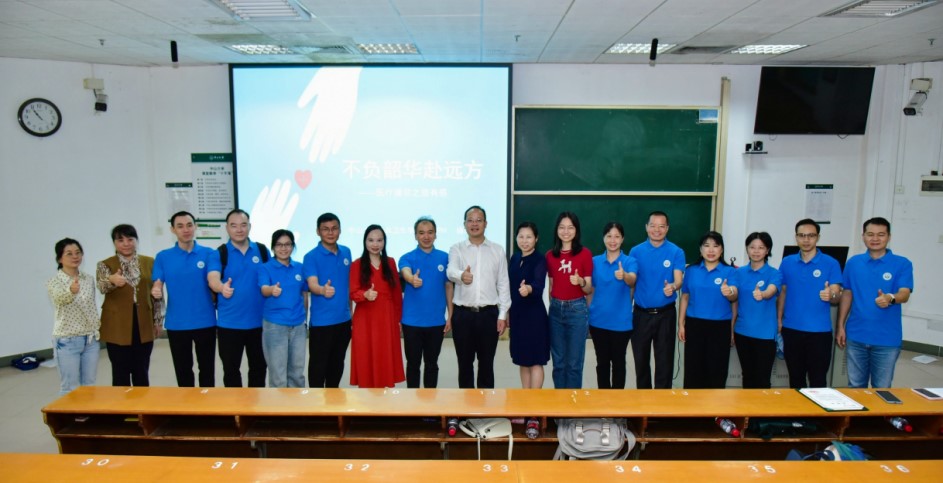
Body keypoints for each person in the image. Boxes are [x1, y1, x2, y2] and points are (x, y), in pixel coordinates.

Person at [837, 217, 914, 388]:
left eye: (881, 234)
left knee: (882, 388)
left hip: (886, 339)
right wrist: (841, 325)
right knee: (855, 387)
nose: (875, 238)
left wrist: (890, 298)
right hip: (856, 335)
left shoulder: (902, 264)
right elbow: (847, 293)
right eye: (870, 234)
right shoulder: (853, 263)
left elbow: (905, 293)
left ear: (889, 237)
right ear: (863, 236)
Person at [447, 206, 512, 389]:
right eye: (470, 220)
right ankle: (466, 406)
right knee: (464, 366)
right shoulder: (457, 249)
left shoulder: (497, 250)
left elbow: (503, 284)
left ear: (486, 223)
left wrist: (502, 315)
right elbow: (450, 271)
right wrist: (461, 275)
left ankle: (485, 406)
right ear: (464, 224)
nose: (474, 224)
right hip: (463, 315)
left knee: (486, 366)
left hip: (488, 315)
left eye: (478, 220)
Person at [152, 211, 217, 387]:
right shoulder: (163, 256)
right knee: (183, 371)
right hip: (177, 323)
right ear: (173, 230)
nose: (185, 230)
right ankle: (187, 404)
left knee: (207, 370)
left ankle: (208, 403)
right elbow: (157, 282)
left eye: (189, 225)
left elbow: (214, 279)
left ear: (196, 226)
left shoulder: (209, 254)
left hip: (205, 321)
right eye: (180, 226)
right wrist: (156, 289)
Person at [777, 219, 843, 389]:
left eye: (811, 235)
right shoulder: (787, 262)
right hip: (791, 330)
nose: (806, 240)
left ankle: (816, 409)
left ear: (818, 237)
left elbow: (837, 294)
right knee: (795, 379)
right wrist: (779, 319)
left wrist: (831, 294)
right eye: (802, 235)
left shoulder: (831, 263)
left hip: (819, 332)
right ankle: (797, 408)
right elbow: (783, 292)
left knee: (818, 381)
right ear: (796, 237)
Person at [207, 209, 268, 388]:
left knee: (259, 369)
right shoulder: (219, 253)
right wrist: (221, 287)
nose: (239, 230)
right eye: (234, 226)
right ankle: (235, 405)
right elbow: (213, 279)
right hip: (229, 325)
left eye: (243, 225)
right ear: (227, 228)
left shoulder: (262, 251)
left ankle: (255, 404)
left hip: (260, 324)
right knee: (231, 370)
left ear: (250, 226)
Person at [96, 224, 162, 387]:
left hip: (143, 323)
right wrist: (112, 280)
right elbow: (102, 287)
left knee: (141, 370)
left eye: (130, 239)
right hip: (117, 325)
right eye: (120, 240)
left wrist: (157, 321)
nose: (126, 244)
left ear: (136, 241)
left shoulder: (150, 262)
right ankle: (121, 404)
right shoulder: (105, 264)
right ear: (114, 243)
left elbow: (156, 294)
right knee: (120, 372)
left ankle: (142, 403)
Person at [629, 211, 686, 389]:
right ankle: (644, 403)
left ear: (667, 228)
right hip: (641, 314)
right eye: (653, 225)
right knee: (641, 363)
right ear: (646, 227)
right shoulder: (636, 251)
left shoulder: (676, 252)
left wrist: (673, 286)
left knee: (664, 364)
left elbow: (678, 280)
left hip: (665, 315)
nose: (657, 230)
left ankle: (662, 404)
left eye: (661, 226)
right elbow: (631, 283)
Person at [678, 231, 737, 389]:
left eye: (715, 246)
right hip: (695, 325)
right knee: (693, 370)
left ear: (722, 249)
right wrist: (681, 324)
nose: (711, 250)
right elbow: (685, 297)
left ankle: (715, 406)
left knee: (717, 372)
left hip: (720, 327)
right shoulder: (691, 270)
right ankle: (692, 405)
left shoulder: (729, 271)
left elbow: (734, 297)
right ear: (700, 249)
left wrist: (729, 292)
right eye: (706, 246)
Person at [349, 225, 405, 388]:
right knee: (366, 358)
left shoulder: (391, 262)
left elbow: (396, 294)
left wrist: (398, 319)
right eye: (371, 240)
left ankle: (383, 402)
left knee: (385, 358)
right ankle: (368, 403)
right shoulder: (357, 264)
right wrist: (365, 295)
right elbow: (353, 293)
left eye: (379, 240)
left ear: (384, 242)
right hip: (365, 320)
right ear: (365, 242)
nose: (375, 244)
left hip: (387, 319)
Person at [400, 217, 453, 388]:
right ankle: (412, 403)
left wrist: (451, 315)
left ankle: (431, 403)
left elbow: (448, 286)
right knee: (413, 365)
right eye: (421, 233)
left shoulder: (445, 258)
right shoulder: (407, 257)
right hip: (411, 323)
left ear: (435, 234)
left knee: (432, 364)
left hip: (436, 322)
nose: (426, 237)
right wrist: (411, 279)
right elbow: (405, 271)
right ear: (415, 235)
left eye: (430, 232)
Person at [303, 213, 352, 388]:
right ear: (318, 231)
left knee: (337, 366)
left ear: (340, 230)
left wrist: (351, 314)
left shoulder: (346, 252)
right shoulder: (311, 256)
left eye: (334, 228)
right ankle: (316, 405)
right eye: (325, 229)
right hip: (321, 323)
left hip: (344, 321)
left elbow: (349, 286)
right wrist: (322, 290)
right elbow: (312, 284)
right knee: (318, 368)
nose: (330, 233)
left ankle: (333, 403)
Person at [545, 211, 593, 389]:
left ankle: (573, 404)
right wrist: (554, 305)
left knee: (574, 364)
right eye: (562, 227)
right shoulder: (550, 255)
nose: (566, 231)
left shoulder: (585, 254)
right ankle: (559, 403)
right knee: (558, 363)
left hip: (577, 309)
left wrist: (580, 282)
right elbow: (551, 286)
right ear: (557, 230)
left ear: (576, 230)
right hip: (556, 310)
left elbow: (588, 288)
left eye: (570, 227)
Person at [47, 238, 100, 395]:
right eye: (69, 254)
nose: (75, 256)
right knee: (70, 388)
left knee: (89, 385)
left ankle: (87, 411)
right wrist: (70, 291)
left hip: (90, 339)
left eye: (78, 252)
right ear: (59, 258)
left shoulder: (88, 279)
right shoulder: (54, 281)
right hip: (67, 340)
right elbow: (58, 299)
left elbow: (91, 307)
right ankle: (68, 413)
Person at [588, 222, 637, 389]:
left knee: (618, 363)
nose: (613, 240)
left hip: (621, 323)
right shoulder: (594, 261)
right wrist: (590, 312)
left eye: (617, 236)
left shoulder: (630, 261)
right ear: (603, 238)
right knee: (602, 363)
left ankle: (618, 401)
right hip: (598, 321)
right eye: (609, 236)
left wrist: (624, 275)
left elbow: (632, 280)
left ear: (622, 239)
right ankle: (603, 400)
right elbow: (591, 290)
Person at [731, 232, 781, 389]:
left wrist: (763, 294)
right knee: (747, 376)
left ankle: (762, 407)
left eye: (761, 247)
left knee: (762, 379)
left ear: (767, 250)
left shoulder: (774, 273)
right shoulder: (739, 273)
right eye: (752, 247)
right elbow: (734, 302)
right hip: (742, 332)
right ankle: (747, 406)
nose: (756, 251)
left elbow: (772, 290)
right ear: (747, 249)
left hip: (765, 334)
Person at [259, 229, 308, 388]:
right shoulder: (265, 268)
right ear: (273, 247)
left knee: (297, 374)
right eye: (279, 245)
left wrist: (305, 319)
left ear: (293, 246)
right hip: (275, 326)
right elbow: (264, 289)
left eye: (287, 244)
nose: (284, 248)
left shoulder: (300, 267)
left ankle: (296, 405)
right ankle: (278, 405)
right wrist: (272, 289)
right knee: (278, 376)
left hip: (298, 326)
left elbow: (304, 294)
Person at [508, 222, 550, 389]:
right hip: (518, 315)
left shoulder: (540, 259)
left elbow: (539, 285)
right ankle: (525, 400)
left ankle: (535, 402)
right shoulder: (515, 258)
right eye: (521, 237)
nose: (524, 241)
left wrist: (528, 288)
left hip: (534, 317)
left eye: (529, 237)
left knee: (535, 361)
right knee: (523, 360)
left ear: (536, 239)